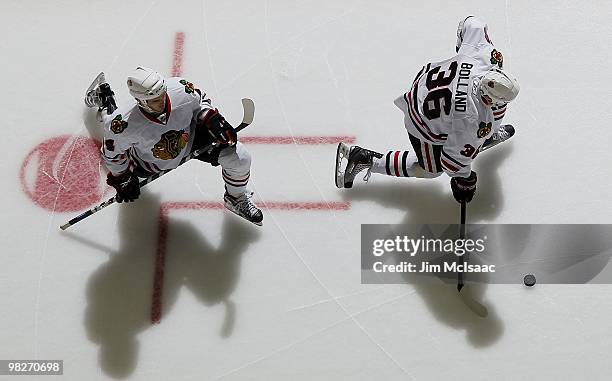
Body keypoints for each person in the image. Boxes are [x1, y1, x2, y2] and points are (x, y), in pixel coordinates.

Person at [335, 16, 520, 204]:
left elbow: (472, 23)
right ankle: (364, 159)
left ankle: (482, 139)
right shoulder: (471, 119)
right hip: (421, 121)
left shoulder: (484, 56)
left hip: (426, 82)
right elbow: (451, 163)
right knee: (430, 170)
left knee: (486, 120)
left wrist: (459, 48)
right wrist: (464, 180)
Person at [84, 67, 263, 226]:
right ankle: (105, 98)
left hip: (191, 140)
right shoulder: (123, 124)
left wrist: (211, 119)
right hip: (147, 163)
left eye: (162, 94)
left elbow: (200, 102)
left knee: (240, 158)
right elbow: (112, 155)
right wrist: (123, 178)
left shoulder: (180, 88)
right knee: (111, 120)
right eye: (154, 100)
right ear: (140, 101)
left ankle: (236, 198)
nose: (162, 101)